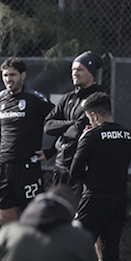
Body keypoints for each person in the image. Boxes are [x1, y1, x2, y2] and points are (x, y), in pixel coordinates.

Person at [70, 91, 131, 261]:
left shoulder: (91, 136)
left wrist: (81, 143)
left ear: (95, 115)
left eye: (89, 117)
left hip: (94, 198)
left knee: (70, 248)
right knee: (110, 259)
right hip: (118, 199)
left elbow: (74, 173)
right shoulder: (129, 135)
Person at [0, 57, 54, 226]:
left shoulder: (35, 98)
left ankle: (34, 252)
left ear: (23, 75)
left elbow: (60, 121)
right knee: (5, 217)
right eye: (5, 75)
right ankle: (14, 251)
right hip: (4, 166)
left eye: (12, 75)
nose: (8, 79)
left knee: (33, 217)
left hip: (27, 166)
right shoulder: (0, 98)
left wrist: (51, 151)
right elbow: (1, 124)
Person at [44, 51, 104, 194]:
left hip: (82, 170)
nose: (75, 73)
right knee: (58, 213)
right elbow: (47, 126)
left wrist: (67, 126)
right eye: (73, 70)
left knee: (77, 215)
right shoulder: (68, 98)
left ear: (91, 72)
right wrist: (71, 124)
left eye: (80, 69)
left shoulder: (98, 98)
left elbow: (78, 131)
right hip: (60, 167)